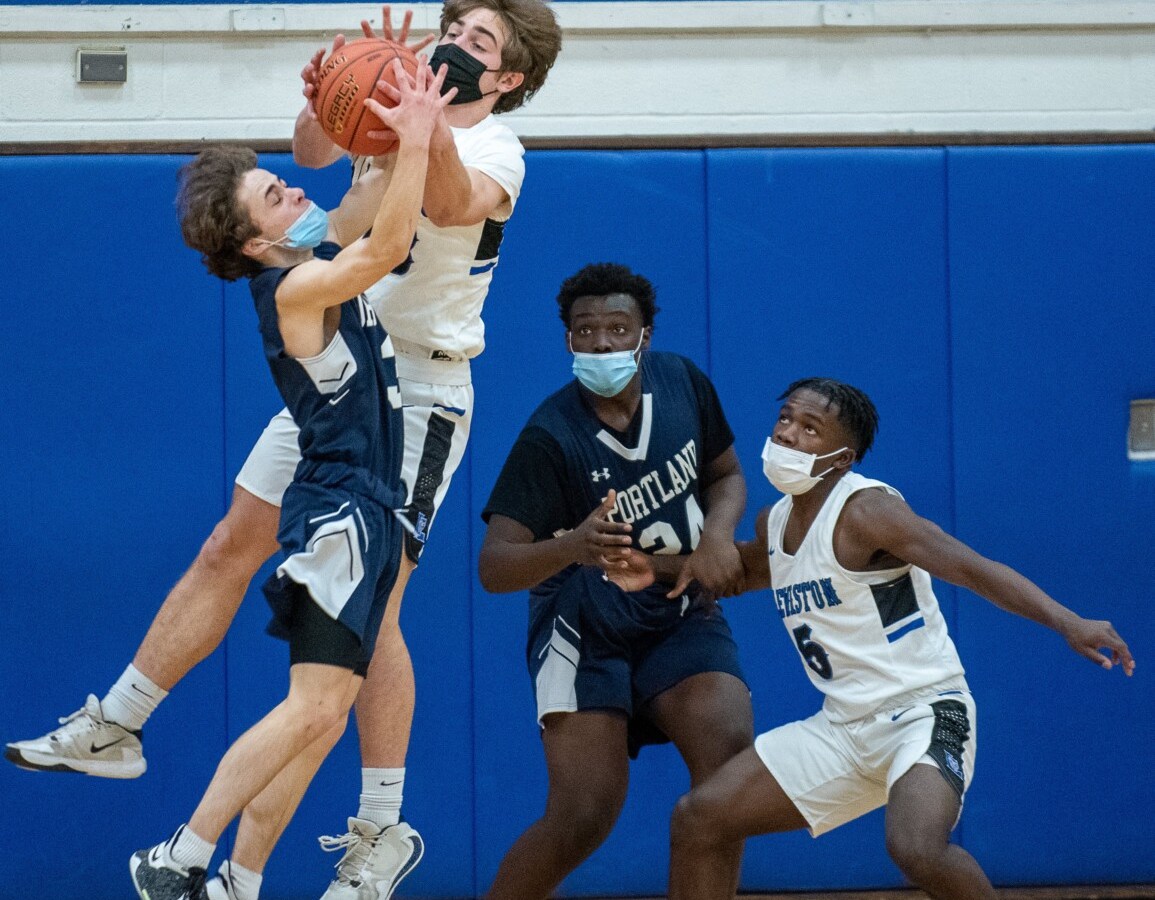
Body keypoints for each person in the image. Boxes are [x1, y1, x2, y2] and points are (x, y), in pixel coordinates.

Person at [6, 3, 561, 898]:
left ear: (506, 78)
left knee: (369, 625)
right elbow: (310, 159)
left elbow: (447, 204)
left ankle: (376, 826)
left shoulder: (495, 146)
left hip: (416, 391)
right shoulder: (395, 115)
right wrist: (331, 95)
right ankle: (121, 722)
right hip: (341, 363)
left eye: (479, 41)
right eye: (454, 26)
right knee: (228, 544)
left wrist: (416, 124)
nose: (455, 42)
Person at [127, 59, 450, 900]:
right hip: (343, 514)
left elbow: (367, 204)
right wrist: (416, 134)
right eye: (276, 197)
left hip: (362, 510)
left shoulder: (311, 255)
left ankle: (203, 868)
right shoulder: (296, 286)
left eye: (282, 182)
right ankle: (178, 856)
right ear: (255, 244)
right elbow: (390, 244)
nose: (296, 193)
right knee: (312, 709)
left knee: (321, 713)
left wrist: (372, 118)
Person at [665, 377, 1136, 900]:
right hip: (843, 726)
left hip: (924, 711)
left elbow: (973, 570)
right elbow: (739, 571)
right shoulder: (773, 522)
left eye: (810, 428)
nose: (788, 433)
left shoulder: (867, 512)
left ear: (843, 459)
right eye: (786, 418)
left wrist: (1068, 621)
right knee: (699, 818)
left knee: (917, 847)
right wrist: (646, 567)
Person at [477, 262, 755, 899]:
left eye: (616, 329)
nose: (601, 343)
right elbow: (494, 567)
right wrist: (573, 546)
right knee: (583, 815)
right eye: (585, 331)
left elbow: (726, 475)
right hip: (584, 624)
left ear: (644, 336)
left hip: (677, 607)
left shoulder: (683, 382)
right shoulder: (550, 435)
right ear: (568, 340)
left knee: (729, 764)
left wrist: (717, 536)